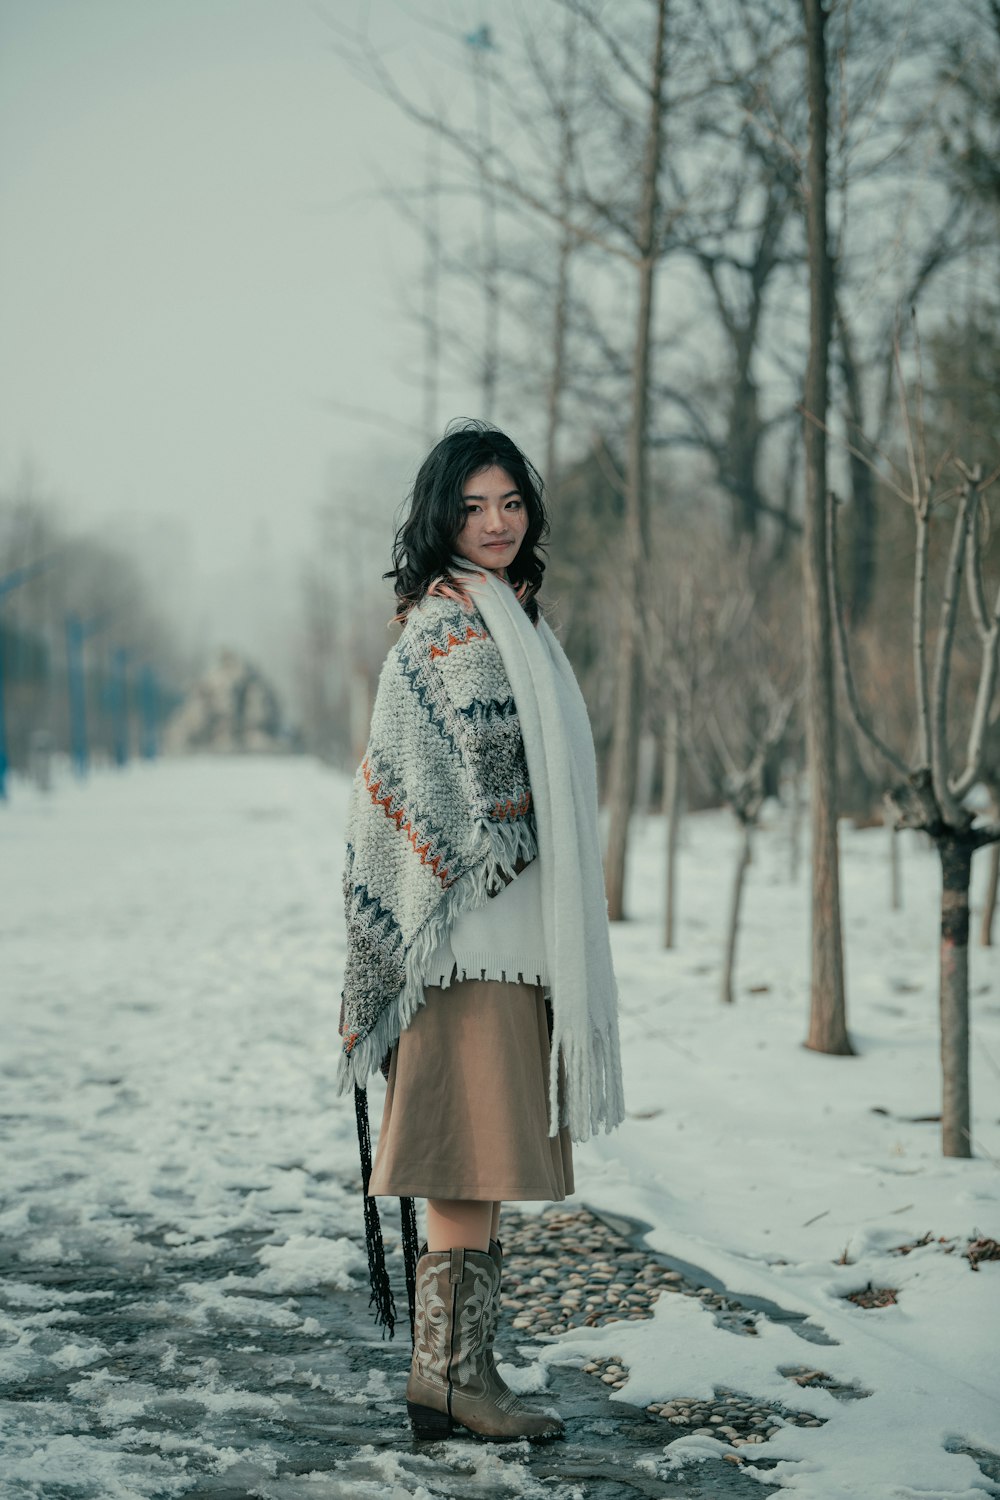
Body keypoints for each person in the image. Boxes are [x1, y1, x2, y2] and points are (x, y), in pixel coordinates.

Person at [337, 419, 625, 1444]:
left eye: (511, 503)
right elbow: (461, 796)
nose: (497, 522)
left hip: (505, 940)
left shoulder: (506, 615)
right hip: (464, 947)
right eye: (474, 507)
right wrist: (516, 811)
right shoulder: (449, 627)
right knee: (467, 1159)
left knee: (482, 1160)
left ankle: (458, 1373)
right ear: (441, 518)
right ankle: (452, 1379)